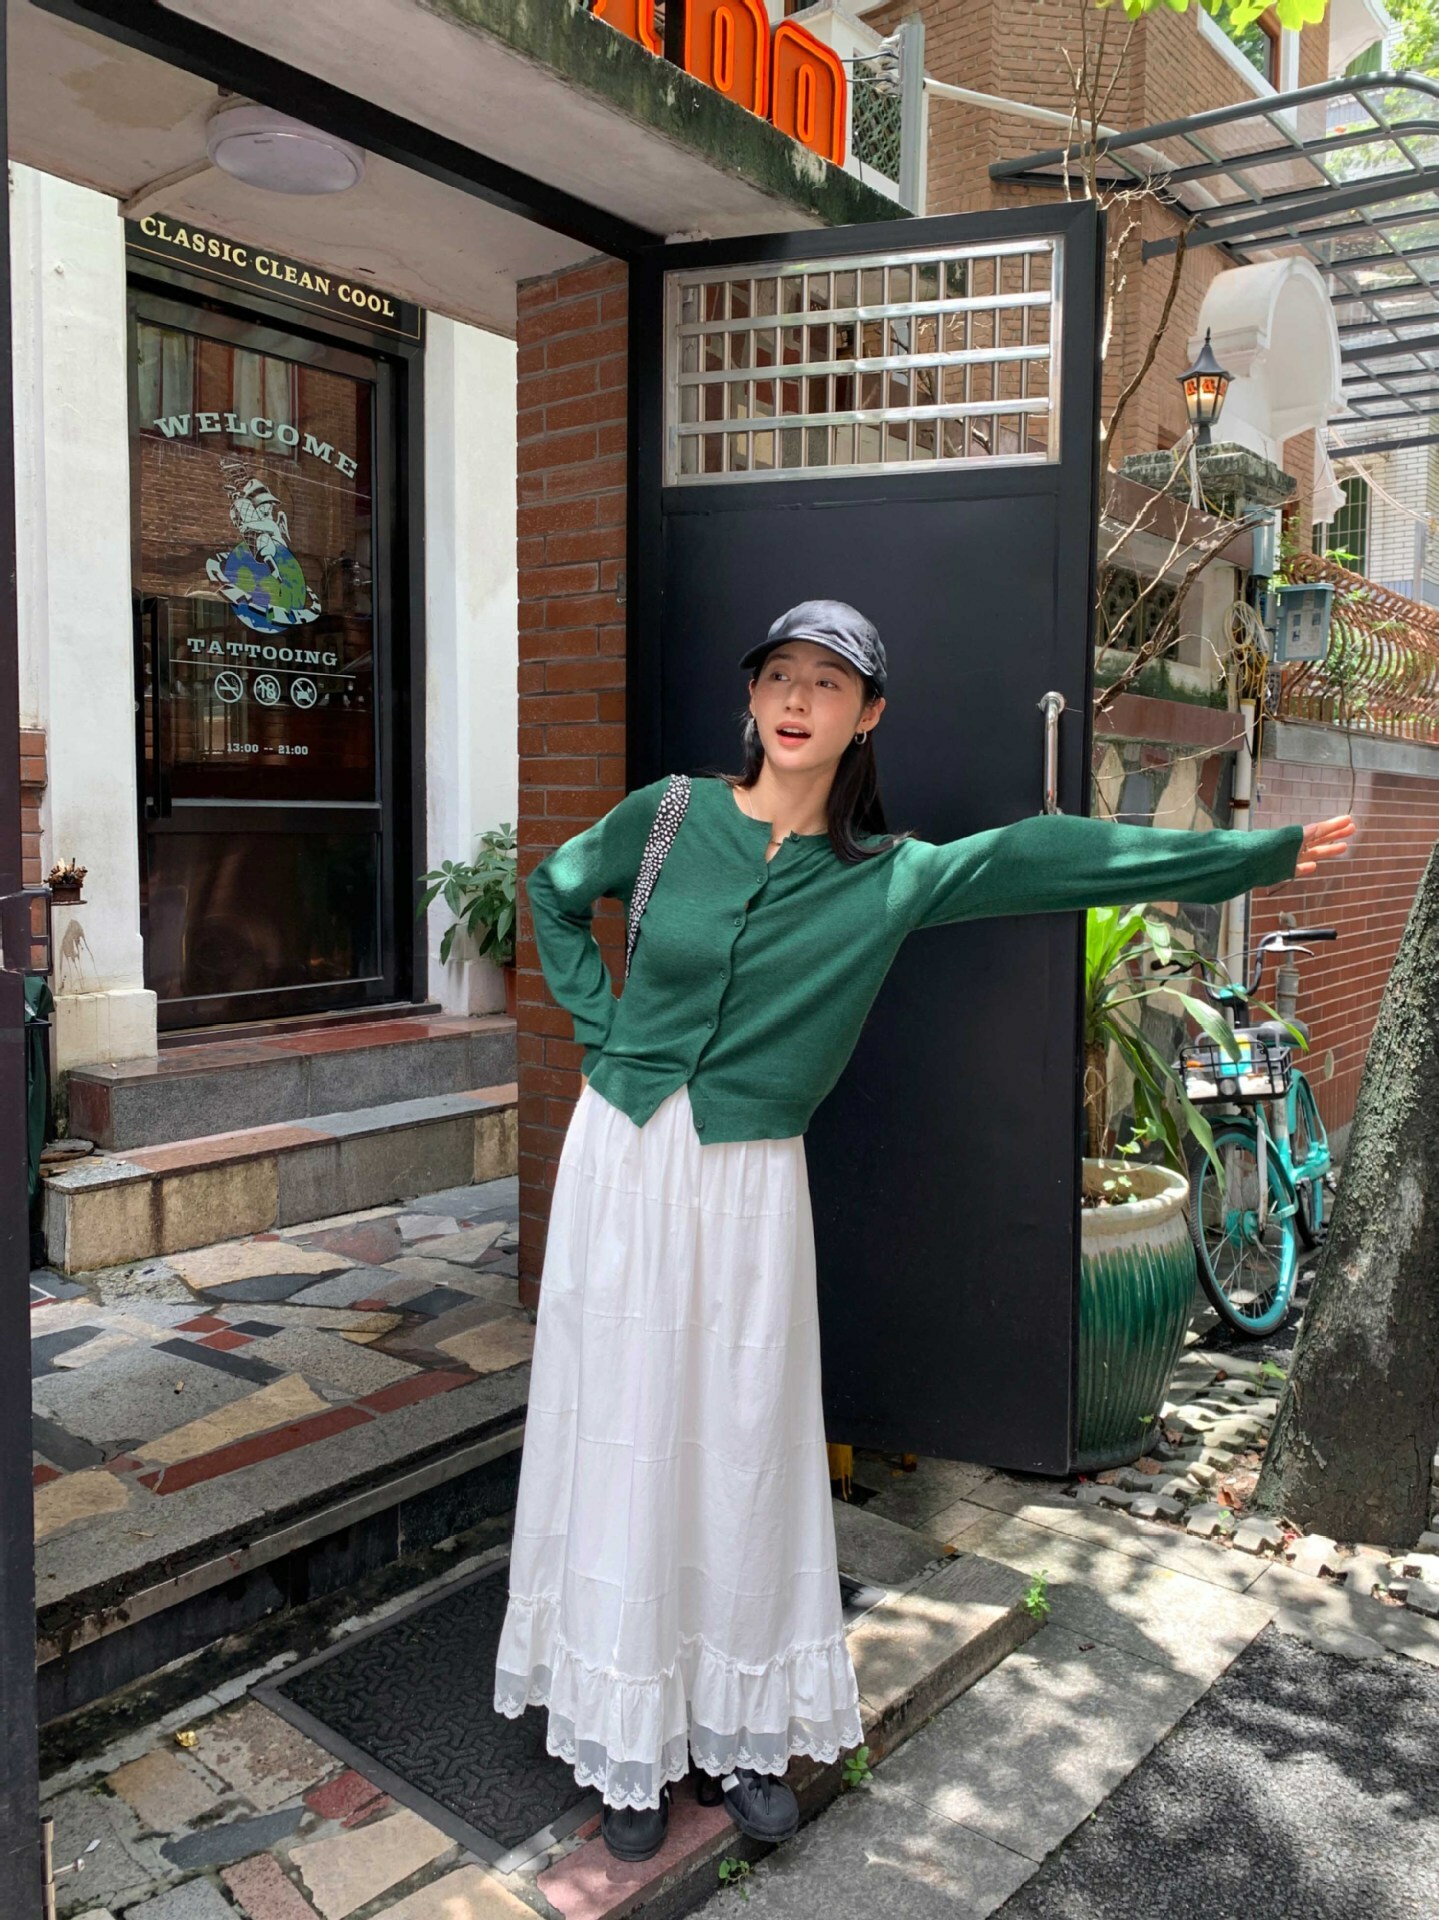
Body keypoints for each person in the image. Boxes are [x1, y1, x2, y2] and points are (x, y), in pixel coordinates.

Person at [492, 600, 1354, 1863]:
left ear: (867, 715)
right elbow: (554, 890)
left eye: (827, 683)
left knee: (742, 1438)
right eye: (777, 676)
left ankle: (738, 1733)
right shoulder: (668, 816)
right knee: (624, 1425)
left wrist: (1248, 857)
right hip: (623, 1157)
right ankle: (628, 1737)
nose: (796, 700)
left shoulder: (885, 876)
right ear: (752, 697)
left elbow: (1043, 856)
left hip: (747, 1178)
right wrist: (602, 1027)